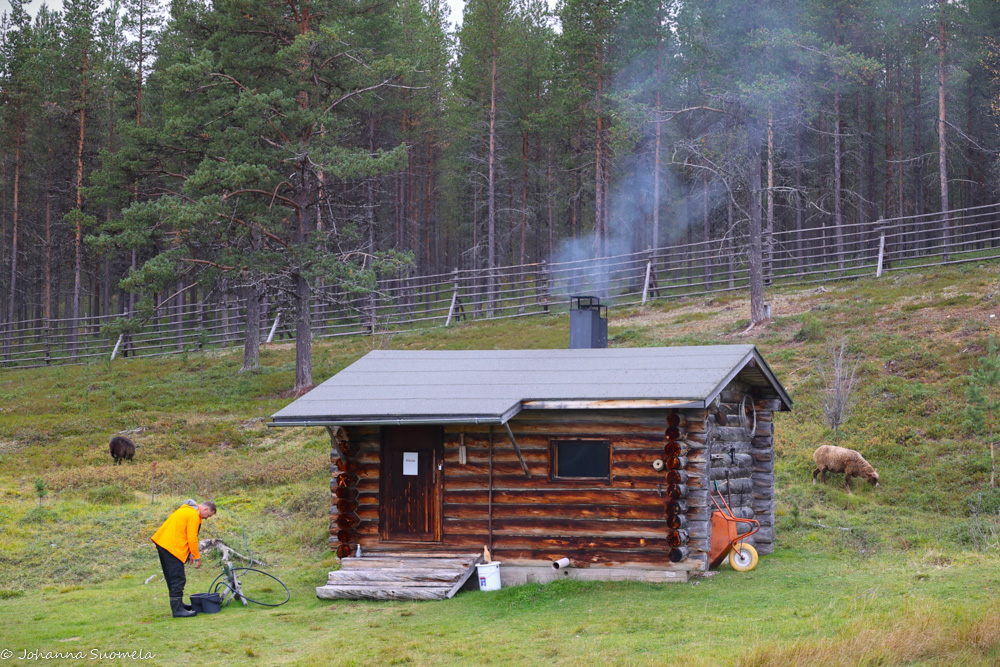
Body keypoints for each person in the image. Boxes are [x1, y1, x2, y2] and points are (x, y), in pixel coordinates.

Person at [151, 500, 216, 617]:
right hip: (172, 546)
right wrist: (197, 557)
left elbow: (182, 533)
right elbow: (192, 538)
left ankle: (179, 605)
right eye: (209, 515)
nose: (207, 518)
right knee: (178, 577)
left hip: (164, 543)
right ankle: (177, 611)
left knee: (172, 576)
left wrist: (188, 553)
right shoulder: (194, 515)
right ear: (205, 509)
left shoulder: (186, 510)